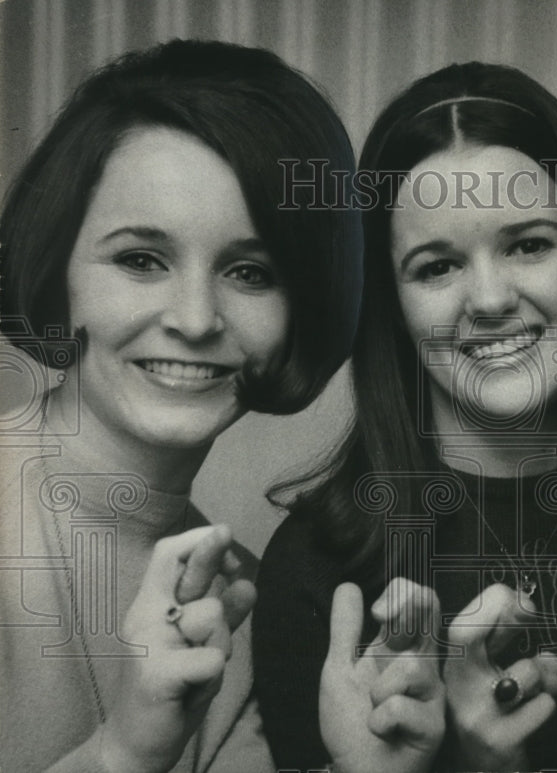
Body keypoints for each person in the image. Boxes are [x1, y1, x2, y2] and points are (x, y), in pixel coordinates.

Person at [253, 61, 557, 772]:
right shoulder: (316, 569)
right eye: (436, 266)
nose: (488, 298)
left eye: (529, 244)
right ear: (391, 305)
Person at [0, 39, 361, 772]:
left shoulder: (251, 600)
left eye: (250, 271)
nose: (196, 318)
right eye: (140, 259)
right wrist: (124, 752)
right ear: (57, 264)